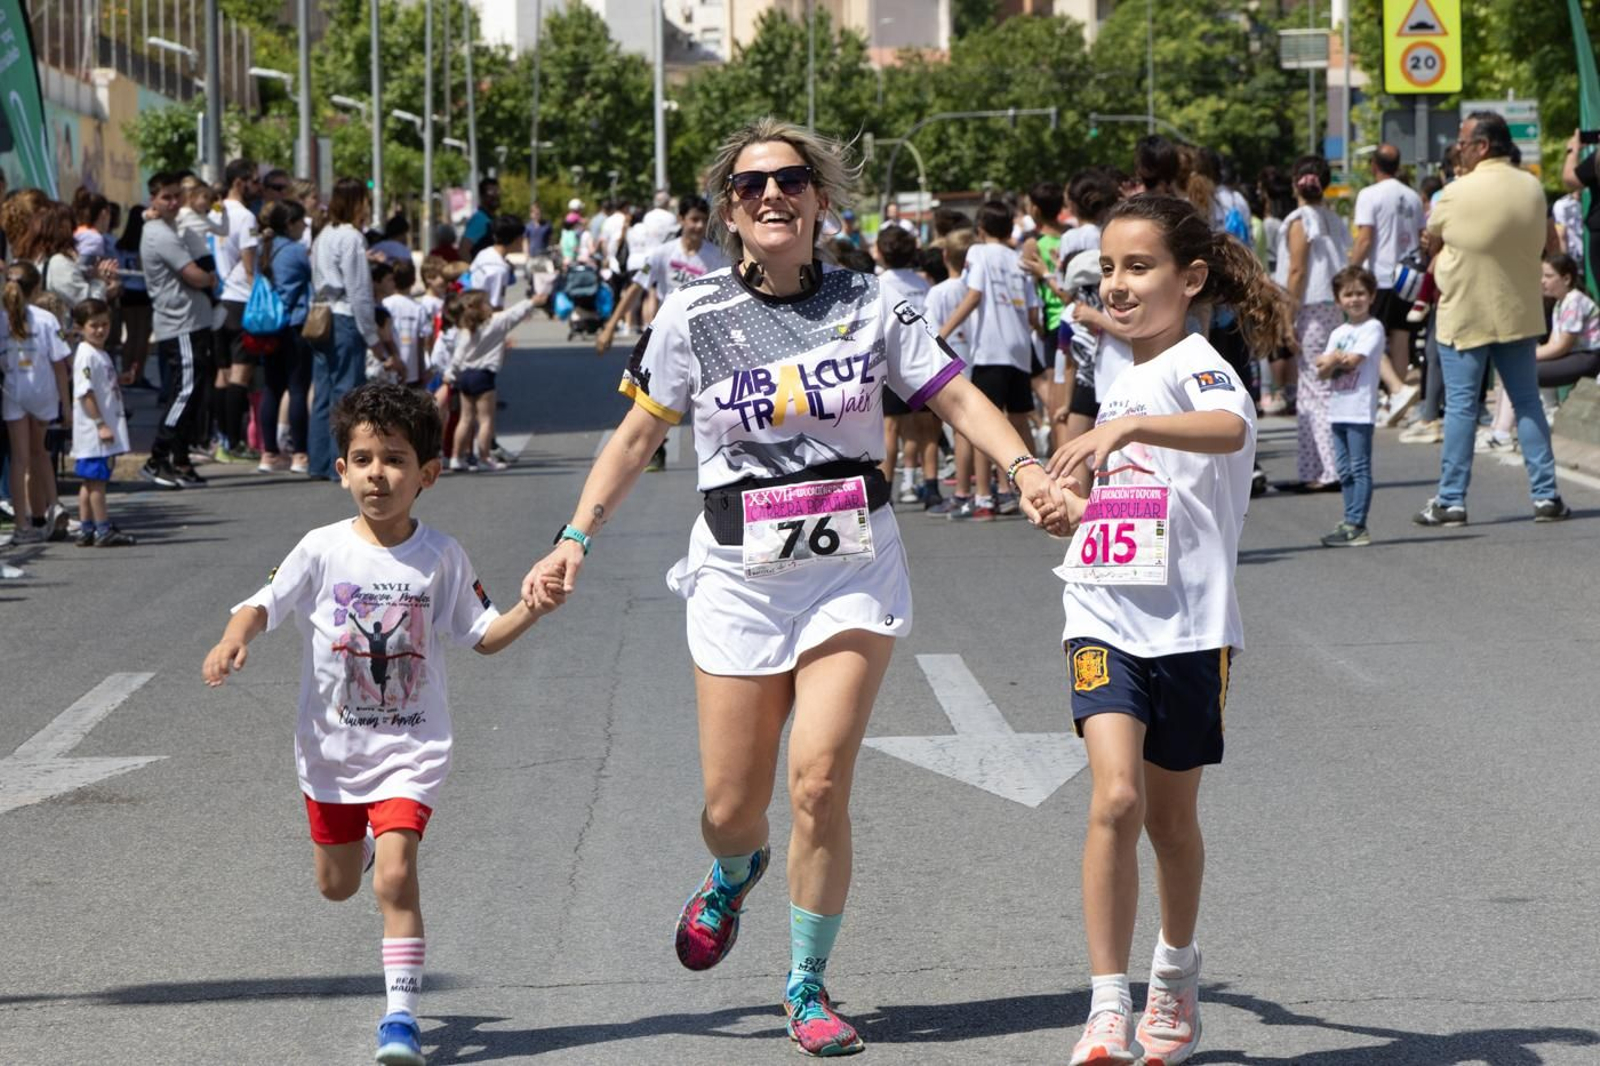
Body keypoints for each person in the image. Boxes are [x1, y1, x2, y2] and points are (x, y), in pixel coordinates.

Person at [518, 118, 1067, 1059]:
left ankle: (806, 983)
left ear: (819, 198)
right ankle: (734, 872)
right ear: (727, 210)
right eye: (749, 186)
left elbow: (956, 394)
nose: (772, 195)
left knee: (817, 780)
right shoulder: (691, 315)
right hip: (738, 579)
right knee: (733, 805)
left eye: (790, 181)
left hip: (853, 566)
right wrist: (574, 538)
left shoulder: (874, 302)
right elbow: (638, 437)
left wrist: (1026, 471)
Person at [202, 382, 562, 1066]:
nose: (377, 473)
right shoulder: (320, 549)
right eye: (363, 459)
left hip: (411, 750)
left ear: (427, 473)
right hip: (331, 754)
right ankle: (357, 848)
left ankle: (400, 1016)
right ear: (341, 471)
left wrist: (532, 608)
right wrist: (232, 637)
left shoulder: (442, 556)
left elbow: (482, 634)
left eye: (394, 459)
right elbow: (260, 602)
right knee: (337, 886)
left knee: (395, 878)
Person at [1046, 194, 1289, 1066]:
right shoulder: (1112, 371)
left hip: (1191, 627)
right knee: (1115, 797)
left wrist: (1131, 422)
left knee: (1171, 822)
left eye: (1138, 267)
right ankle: (1108, 1004)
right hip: (1103, 613)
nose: (1116, 284)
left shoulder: (1196, 362)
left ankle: (1176, 977)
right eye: (1107, 267)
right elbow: (1130, 499)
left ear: (1189, 280)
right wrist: (1070, 509)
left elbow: (1229, 430)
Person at [1414, 112, 1569, 526]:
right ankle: (1546, 494)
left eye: (1463, 143)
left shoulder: (1455, 192)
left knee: (1463, 408)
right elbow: (1549, 244)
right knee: (1527, 403)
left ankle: (1451, 500)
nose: (1459, 150)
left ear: (1482, 146)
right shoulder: (1533, 187)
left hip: (1464, 313)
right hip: (1519, 312)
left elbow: (1434, 242)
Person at [937, 199, 1042, 520]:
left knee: (985, 423)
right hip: (1019, 348)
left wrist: (943, 331)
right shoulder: (1017, 259)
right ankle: (1029, 492)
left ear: (980, 230)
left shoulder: (978, 253)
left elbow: (974, 295)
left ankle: (983, 495)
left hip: (991, 348)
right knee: (1021, 420)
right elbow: (1033, 311)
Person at [1274, 155, 1350, 492]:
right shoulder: (1333, 219)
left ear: (1296, 184)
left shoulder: (1298, 220)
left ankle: (1330, 468)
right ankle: (1312, 468)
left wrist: (1287, 316)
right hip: (1331, 306)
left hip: (1308, 306)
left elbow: (1297, 271)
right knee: (1313, 388)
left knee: (1315, 388)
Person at [139, 171, 218, 489]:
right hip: (179, 323)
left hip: (193, 321)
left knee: (193, 393)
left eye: (175, 196)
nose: (172, 203)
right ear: (153, 200)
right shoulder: (160, 233)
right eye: (165, 197)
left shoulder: (173, 227)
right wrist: (209, 278)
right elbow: (195, 275)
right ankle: (157, 457)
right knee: (183, 394)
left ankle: (181, 460)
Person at [309, 178, 382, 481]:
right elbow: (359, 291)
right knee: (347, 394)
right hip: (343, 317)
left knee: (324, 392)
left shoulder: (324, 234)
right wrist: (373, 336)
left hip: (321, 313)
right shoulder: (351, 237)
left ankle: (319, 460)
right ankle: (338, 463)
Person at [1348, 144, 1424, 423]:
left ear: (1373, 166)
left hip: (1380, 276)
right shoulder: (1413, 197)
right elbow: (1421, 235)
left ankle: (1397, 389)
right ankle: (1397, 399)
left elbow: (1365, 237)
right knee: (1402, 336)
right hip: (1409, 277)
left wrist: (1353, 270)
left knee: (1370, 334)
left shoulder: (1369, 195)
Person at [1314, 267, 1385, 547]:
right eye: (1348, 294)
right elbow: (1320, 370)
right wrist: (1333, 359)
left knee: (1359, 467)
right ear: (1338, 299)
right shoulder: (1338, 331)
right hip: (1337, 410)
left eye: (1360, 294)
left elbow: (1353, 361)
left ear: (1371, 296)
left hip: (1359, 410)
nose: (1354, 299)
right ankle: (1348, 518)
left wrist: (1332, 359)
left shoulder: (1373, 327)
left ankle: (1357, 523)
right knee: (1343, 469)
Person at [1, 262, 72, 542]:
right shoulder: (46, 319)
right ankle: (54, 506)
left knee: (19, 459)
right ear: (37, 288)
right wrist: (66, 405)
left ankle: (22, 525)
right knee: (40, 452)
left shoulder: (2, 318)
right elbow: (59, 365)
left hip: (13, 390)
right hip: (41, 390)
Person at [442, 290, 540, 472]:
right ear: (480, 308)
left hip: (465, 375)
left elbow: (458, 356)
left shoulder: (466, 328)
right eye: (486, 303)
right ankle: (484, 457)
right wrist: (531, 301)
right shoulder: (495, 323)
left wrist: (451, 374)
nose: (490, 306)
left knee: (465, 418)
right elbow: (514, 314)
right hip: (484, 375)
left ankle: (456, 456)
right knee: (486, 420)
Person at [69, 299, 135, 546]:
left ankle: (87, 527)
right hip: (94, 433)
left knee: (89, 482)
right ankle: (102, 528)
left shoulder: (100, 353)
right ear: (80, 327)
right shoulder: (86, 354)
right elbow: (85, 393)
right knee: (97, 482)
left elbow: (101, 384)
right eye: (93, 325)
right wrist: (100, 424)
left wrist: (121, 379)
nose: (100, 330)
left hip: (99, 430)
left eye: (104, 324)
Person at [256, 199, 314, 474]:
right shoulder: (296, 251)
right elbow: (309, 280)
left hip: (268, 328)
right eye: (301, 221)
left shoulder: (264, 248)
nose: (304, 226)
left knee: (271, 388)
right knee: (297, 388)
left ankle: (268, 453)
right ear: (290, 223)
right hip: (294, 325)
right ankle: (300, 454)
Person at [213, 157, 264, 461]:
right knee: (239, 376)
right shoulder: (246, 217)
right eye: (254, 180)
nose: (258, 187)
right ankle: (233, 441)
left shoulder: (216, 210)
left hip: (219, 298)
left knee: (221, 374)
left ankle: (221, 439)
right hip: (241, 300)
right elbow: (249, 265)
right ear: (239, 181)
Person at [114, 206, 154, 388]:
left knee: (130, 335)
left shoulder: (121, 244)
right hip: (143, 291)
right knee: (142, 336)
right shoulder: (145, 243)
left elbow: (118, 269)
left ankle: (125, 371)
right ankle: (137, 374)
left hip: (127, 290)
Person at [384, 259, 433, 389]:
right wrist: (422, 370)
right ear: (413, 280)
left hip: (388, 369)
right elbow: (423, 342)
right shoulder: (418, 308)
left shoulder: (384, 304)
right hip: (412, 372)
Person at [459, 178, 501, 254]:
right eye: (491, 193)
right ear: (482, 196)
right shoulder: (479, 219)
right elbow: (463, 250)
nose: (495, 196)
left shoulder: (491, 219)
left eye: (497, 192)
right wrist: (474, 266)